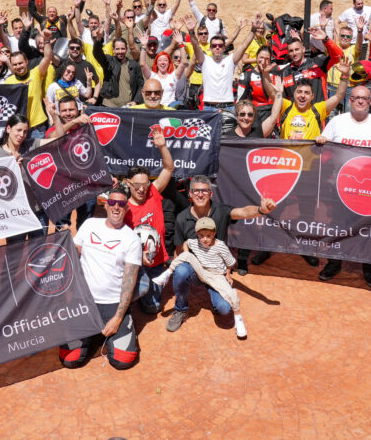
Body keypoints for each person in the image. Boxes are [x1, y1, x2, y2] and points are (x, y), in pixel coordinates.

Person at [166, 175, 277, 331]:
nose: (200, 194)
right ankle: (181, 309)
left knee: (224, 309)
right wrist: (178, 273)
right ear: (190, 194)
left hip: (217, 272)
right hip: (195, 269)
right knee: (181, 270)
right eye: (196, 191)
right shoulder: (182, 218)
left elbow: (243, 212)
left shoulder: (222, 211)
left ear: (211, 193)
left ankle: (216, 300)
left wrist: (261, 210)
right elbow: (179, 249)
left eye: (204, 191)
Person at [315, 84, 371, 287]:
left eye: (365, 98)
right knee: (338, 227)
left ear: (370, 102)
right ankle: (334, 263)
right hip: (341, 187)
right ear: (350, 100)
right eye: (357, 97)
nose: (360, 101)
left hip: (370, 189)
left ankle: (368, 268)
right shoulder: (337, 122)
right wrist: (320, 139)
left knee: (368, 229)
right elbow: (323, 141)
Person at [59, 184, 143, 370]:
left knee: (123, 360)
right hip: (84, 302)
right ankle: (93, 332)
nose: (116, 207)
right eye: (112, 202)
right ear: (105, 204)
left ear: (127, 207)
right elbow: (73, 255)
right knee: (70, 359)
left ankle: (120, 325)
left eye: (121, 204)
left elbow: (129, 282)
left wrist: (118, 318)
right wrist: (64, 241)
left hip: (112, 304)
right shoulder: (90, 224)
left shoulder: (132, 239)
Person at [153, 217, 248, 338]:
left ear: (214, 233)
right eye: (201, 236)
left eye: (208, 235)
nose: (205, 239)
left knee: (228, 299)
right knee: (186, 256)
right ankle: (167, 274)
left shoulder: (221, 246)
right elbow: (186, 243)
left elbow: (230, 262)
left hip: (216, 276)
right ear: (197, 234)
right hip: (201, 271)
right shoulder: (195, 242)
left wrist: (228, 275)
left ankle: (238, 319)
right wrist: (186, 251)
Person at [123, 126, 175, 314]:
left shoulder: (153, 193)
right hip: (135, 263)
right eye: (136, 185)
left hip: (157, 260)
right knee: (138, 291)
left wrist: (162, 147)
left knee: (153, 308)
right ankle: (123, 300)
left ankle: (139, 293)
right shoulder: (123, 209)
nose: (141, 189)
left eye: (144, 184)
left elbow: (169, 168)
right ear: (128, 183)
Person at [269, 59, 349, 141]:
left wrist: (345, 75)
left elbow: (338, 96)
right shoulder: (286, 106)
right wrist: (265, 74)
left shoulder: (318, 109)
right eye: (299, 92)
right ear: (294, 94)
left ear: (312, 96)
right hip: (287, 149)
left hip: (309, 150)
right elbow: (271, 94)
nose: (302, 95)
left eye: (307, 93)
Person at [191, 16, 254, 112]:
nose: (217, 47)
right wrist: (191, 32)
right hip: (209, 107)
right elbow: (196, 46)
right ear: (210, 48)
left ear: (224, 48)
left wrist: (254, 30)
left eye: (220, 45)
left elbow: (244, 45)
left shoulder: (230, 60)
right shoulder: (205, 60)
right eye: (214, 45)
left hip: (228, 107)